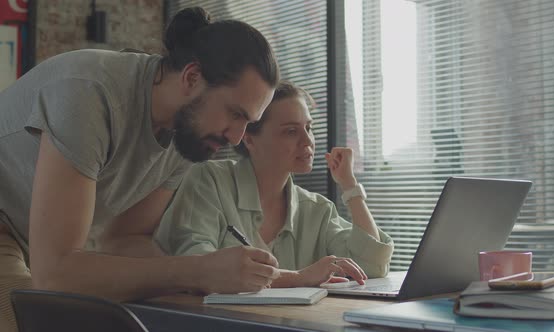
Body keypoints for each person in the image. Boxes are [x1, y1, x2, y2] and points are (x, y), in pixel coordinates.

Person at [0, 6, 282, 331]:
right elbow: (56, 275)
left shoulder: (188, 135)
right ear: (191, 77)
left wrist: (209, 277)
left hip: (38, 251)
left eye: (248, 123)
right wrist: (196, 271)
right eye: (235, 113)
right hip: (8, 231)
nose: (237, 137)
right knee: (37, 320)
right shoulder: (89, 94)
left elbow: (123, 239)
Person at [155, 81, 394, 287]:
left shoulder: (316, 210)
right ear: (248, 139)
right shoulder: (209, 181)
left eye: (308, 128)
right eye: (290, 131)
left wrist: (350, 187)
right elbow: (199, 268)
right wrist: (299, 278)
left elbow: (370, 267)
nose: (307, 141)